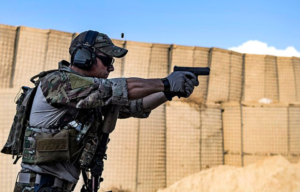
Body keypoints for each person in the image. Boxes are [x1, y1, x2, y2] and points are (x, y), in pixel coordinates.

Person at [13, 30, 199, 192]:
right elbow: (117, 88)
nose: (111, 67)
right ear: (84, 57)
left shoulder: (88, 95)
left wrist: (169, 92)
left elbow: (136, 105)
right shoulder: (59, 82)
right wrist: (165, 83)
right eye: (107, 60)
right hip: (37, 187)